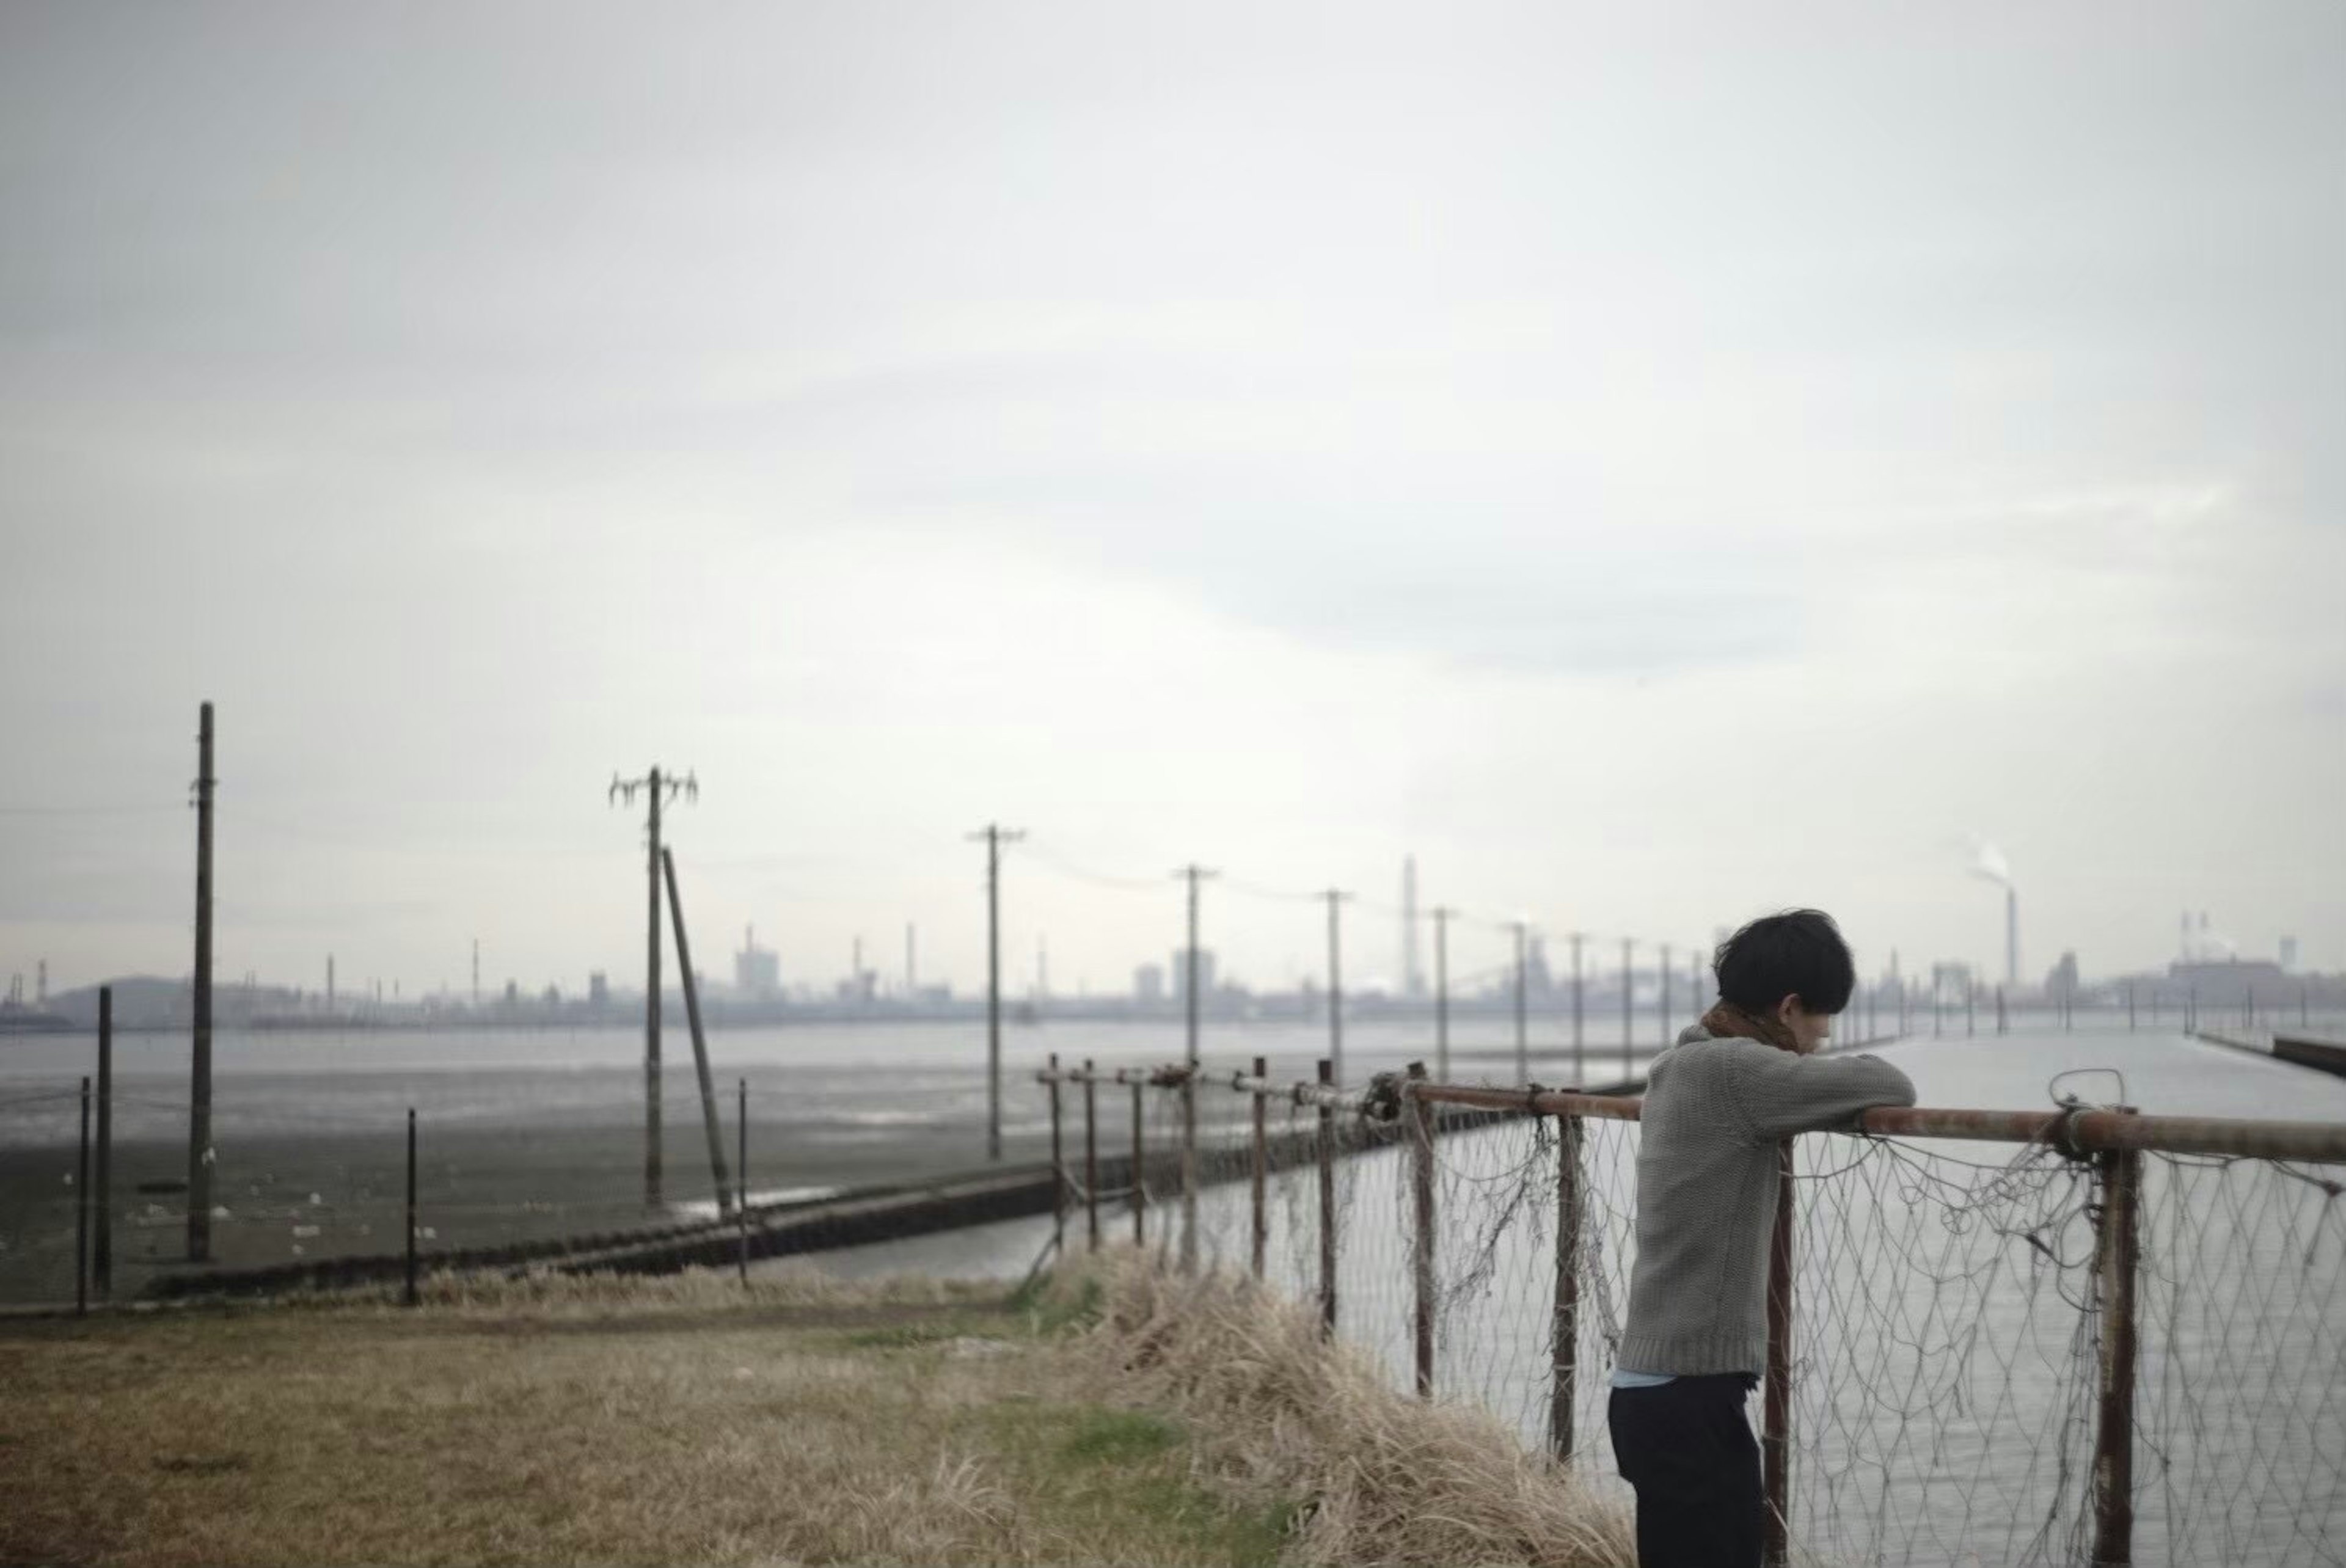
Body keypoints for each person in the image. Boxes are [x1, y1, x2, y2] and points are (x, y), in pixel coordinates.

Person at [1606, 908, 1915, 1567]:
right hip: (1687, 1395)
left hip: (1655, 1392)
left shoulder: (1680, 1062)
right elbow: (1891, 1085)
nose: (1812, 1047)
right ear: (1788, 1005)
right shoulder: (1736, 1072)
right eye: (1816, 1029)